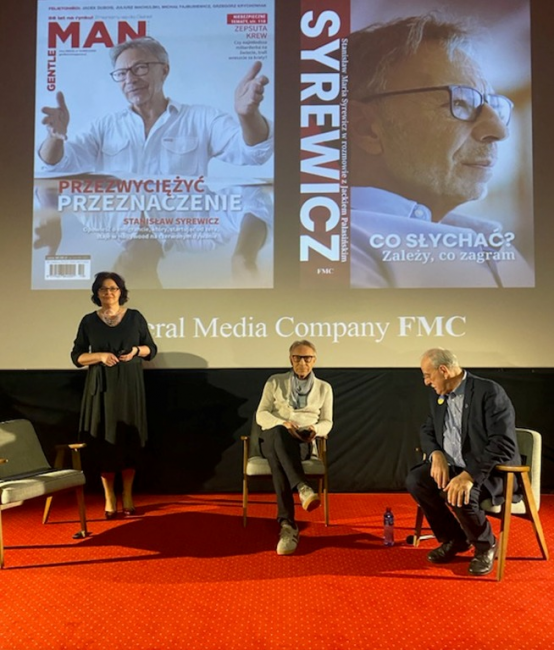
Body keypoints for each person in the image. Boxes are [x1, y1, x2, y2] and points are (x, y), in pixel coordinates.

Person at [347, 14, 533, 288]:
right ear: (366, 128)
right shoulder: (335, 251)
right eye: (461, 102)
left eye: (493, 106)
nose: (498, 131)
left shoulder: (492, 242)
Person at [38, 35, 273, 175]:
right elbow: (56, 167)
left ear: (164, 70)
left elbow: (254, 154)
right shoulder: (104, 127)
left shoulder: (202, 119)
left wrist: (248, 116)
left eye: (140, 68)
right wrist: (54, 138)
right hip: (117, 239)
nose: (130, 79)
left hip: (180, 238)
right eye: (121, 73)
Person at [405, 348, 521, 576]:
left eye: (428, 375)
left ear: (444, 370)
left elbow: (503, 443)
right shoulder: (439, 396)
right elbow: (427, 429)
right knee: (416, 480)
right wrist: (436, 454)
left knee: (459, 493)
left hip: (491, 471)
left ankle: (485, 546)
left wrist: (469, 476)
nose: (426, 382)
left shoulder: (489, 392)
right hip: (455, 467)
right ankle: (455, 539)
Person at [71, 271, 157, 518]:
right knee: (105, 444)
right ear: (96, 293)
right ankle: (109, 498)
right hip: (101, 389)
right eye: (103, 289)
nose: (109, 292)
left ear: (121, 292)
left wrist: (135, 351)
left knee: (129, 441)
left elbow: (151, 349)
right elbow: (77, 356)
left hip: (129, 386)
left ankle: (127, 495)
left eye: (113, 288)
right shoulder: (89, 321)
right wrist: (99, 356)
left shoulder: (135, 317)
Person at [256, 340, 333, 555]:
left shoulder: (324, 388)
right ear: (291, 359)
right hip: (274, 435)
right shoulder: (275, 381)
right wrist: (283, 423)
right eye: (297, 358)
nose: (302, 362)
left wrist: (315, 429)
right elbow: (261, 414)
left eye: (307, 358)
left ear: (314, 360)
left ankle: (288, 525)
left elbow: (328, 421)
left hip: (302, 442)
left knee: (277, 458)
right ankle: (302, 487)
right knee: (278, 435)